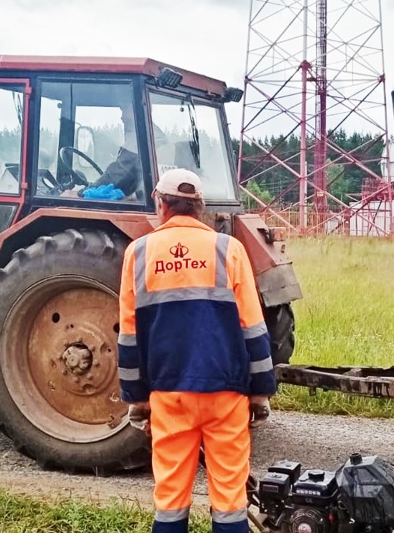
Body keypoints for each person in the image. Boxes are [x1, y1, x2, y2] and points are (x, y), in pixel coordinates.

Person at [118, 168, 276, 533]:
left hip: (169, 395)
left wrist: (137, 399)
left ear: (161, 204)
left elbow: (129, 336)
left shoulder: (138, 254)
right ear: (200, 207)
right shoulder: (228, 249)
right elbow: (253, 327)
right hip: (226, 395)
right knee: (230, 502)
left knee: (171, 502)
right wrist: (261, 391)